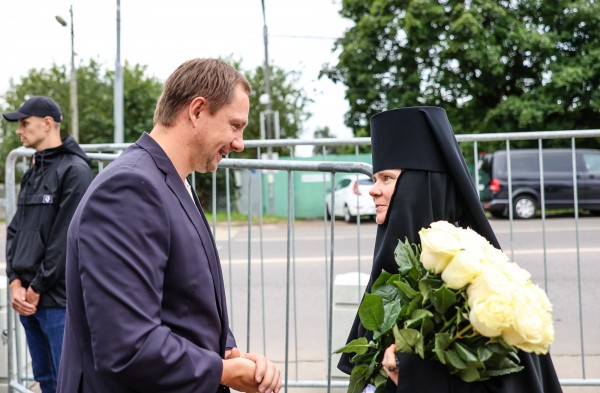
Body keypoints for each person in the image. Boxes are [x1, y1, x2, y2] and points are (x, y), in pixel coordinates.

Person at [56, 58, 282, 393]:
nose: (240, 143)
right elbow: (128, 347)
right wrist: (223, 371)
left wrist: (230, 354)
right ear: (197, 111)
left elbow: (181, 300)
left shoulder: (173, 182)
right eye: (235, 125)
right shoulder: (130, 189)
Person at [338, 106, 563, 392]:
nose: (373, 189)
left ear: (418, 188)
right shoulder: (395, 270)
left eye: (387, 178)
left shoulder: (476, 278)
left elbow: (511, 382)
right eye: (375, 178)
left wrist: (416, 376)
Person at [3, 96, 94, 393]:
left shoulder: (75, 171)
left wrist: (36, 288)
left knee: (69, 384)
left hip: (57, 301)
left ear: (47, 123)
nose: (19, 131)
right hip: (28, 298)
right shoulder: (33, 169)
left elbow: (64, 240)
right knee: (45, 381)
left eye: (24, 123)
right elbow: (16, 227)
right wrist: (14, 280)